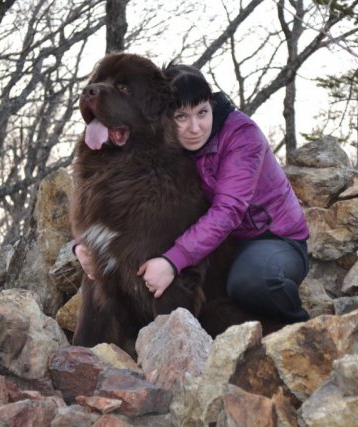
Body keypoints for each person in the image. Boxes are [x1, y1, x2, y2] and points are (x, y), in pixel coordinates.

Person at [75, 62, 310, 324]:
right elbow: (103, 206)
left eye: (202, 112)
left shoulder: (243, 136)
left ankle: (299, 327)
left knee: (251, 281)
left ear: (212, 105)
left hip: (270, 238)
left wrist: (172, 262)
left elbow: (228, 210)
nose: (194, 127)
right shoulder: (167, 146)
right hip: (219, 244)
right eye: (182, 117)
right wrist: (81, 245)